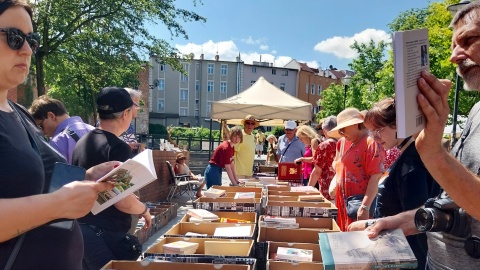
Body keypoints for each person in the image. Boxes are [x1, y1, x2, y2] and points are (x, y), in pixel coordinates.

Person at [0, 1, 115, 268]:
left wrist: (87, 177)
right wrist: (56, 204)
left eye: (32, 39)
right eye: (15, 38)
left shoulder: (19, 113)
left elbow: (33, 180)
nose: (27, 50)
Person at [366, 3, 480, 269]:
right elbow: (458, 204)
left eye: (469, 39)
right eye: (453, 45)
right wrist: (400, 222)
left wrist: (433, 152)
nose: (454, 56)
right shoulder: (476, 110)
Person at [347, 98, 440, 270]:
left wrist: (369, 224)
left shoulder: (410, 163)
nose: (374, 137)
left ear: (398, 124)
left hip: (410, 257)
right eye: (371, 132)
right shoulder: (408, 156)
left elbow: (417, 220)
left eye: (378, 130)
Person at [72, 87, 152, 269]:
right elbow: (121, 200)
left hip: (81, 230)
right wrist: (144, 210)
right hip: (104, 233)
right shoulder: (118, 147)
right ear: (125, 113)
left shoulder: (82, 142)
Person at [327, 108, 384, 231]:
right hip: (349, 205)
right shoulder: (355, 143)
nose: (341, 134)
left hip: (358, 207)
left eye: (342, 130)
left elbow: (375, 177)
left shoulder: (371, 142)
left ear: (354, 125)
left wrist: (365, 207)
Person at [29, 95, 94, 164]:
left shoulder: (58, 141)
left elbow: (60, 174)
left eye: (40, 126)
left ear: (51, 116)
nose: (42, 132)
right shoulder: (93, 129)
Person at [308, 116, 337, 200]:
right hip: (343, 191)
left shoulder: (325, 145)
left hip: (328, 191)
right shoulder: (345, 143)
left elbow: (317, 171)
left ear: (324, 131)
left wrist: (308, 190)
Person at [121, 88, 142, 154]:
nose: (138, 109)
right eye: (137, 105)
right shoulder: (116, 121)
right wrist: (126, 147)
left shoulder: (129, 124)